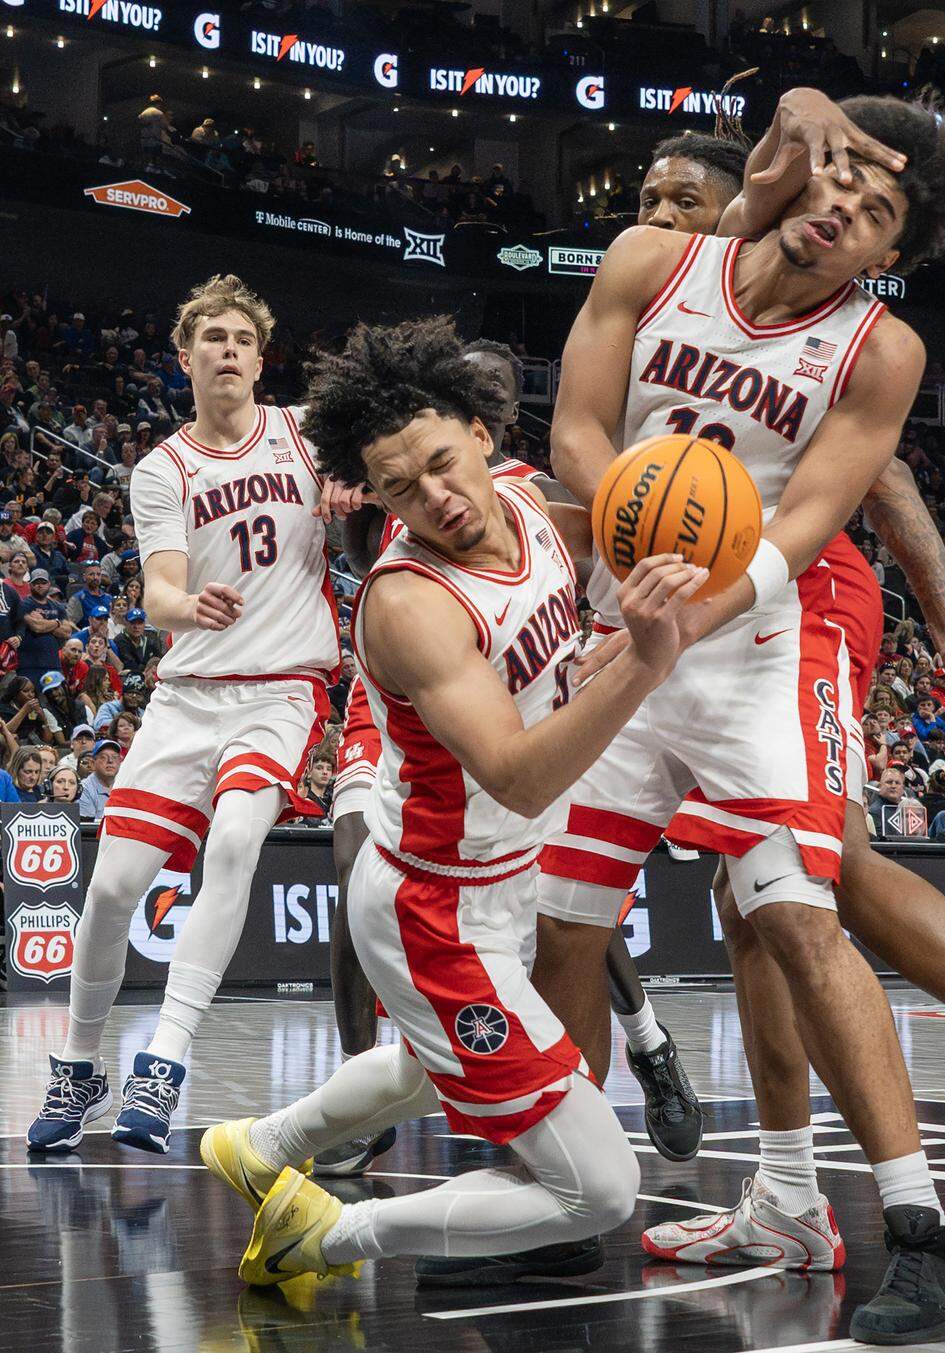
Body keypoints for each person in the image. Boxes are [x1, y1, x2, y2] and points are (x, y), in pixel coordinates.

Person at [534, 88, 945, 1346]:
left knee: (799, 913)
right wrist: (629, 533)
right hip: (622, 622)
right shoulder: (654, 260)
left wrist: (694, 608)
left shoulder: (881, 349)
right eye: (839, 183)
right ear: (797, 176)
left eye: (877, 214)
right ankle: (563, 1204)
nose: (846, 211)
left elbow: (811, 521)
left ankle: (918, 1233)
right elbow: (580, 429)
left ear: (887, 256)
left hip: (756, 640)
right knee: (568, 926)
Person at [199, 318, 705, 1290]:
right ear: (380, 499)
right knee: (599, 1191)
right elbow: (517, 774)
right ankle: (325, 1237)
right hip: (436, 910)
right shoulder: (409, 603)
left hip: (502, 879)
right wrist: (643, 661)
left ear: (481, 433)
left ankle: (259, 1148)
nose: (436, 499)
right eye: (400, 488)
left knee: (433, 1065)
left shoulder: (529, 500)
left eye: (441, 463)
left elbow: (592, 560)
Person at [28, 275, 344, 1157]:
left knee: (238, 839)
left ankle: (165, 1057)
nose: (231, 349)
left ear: (262, 354)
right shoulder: (161, 468)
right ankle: (83, 1063)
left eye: (244, 336)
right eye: (214, 337)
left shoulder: (306, 433)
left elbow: (378, 470)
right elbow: (161, 586)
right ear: (185, 357)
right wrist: (180, 608)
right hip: (188, 694)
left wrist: (354, 492)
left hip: (281, 688)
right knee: (113, 888)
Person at [78, 738, 121, 819]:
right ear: (93, 763)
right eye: (103, 757)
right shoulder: (84, 789)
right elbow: (89, 828)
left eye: (115, 757)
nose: (110, 761)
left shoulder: (126, 784)